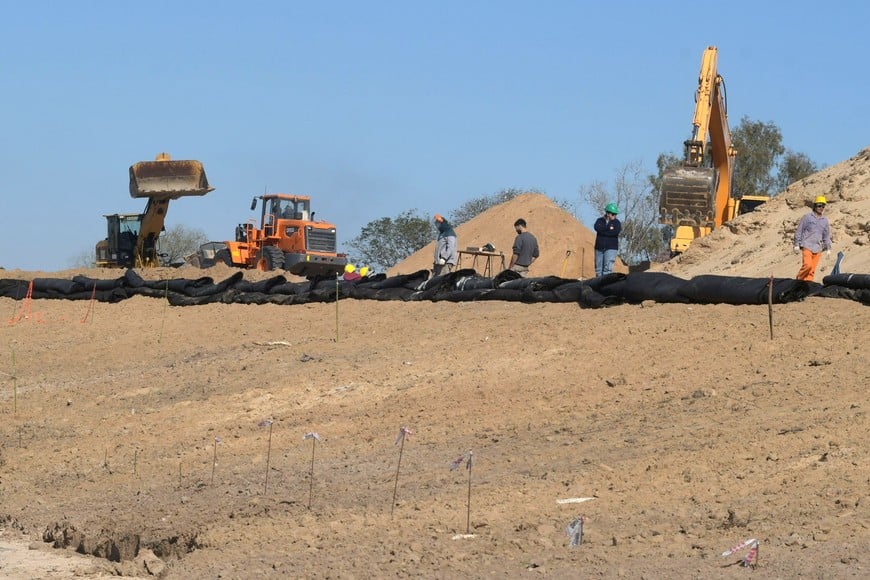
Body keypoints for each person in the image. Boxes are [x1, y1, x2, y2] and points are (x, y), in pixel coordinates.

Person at [794, 195, 833, 281]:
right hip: (807, 245)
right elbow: (799, 231)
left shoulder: (825, 220)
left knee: (811, 271)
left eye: (823, 206)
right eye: (819, 205)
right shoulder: (807, 217)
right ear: (815, 206)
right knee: (807, 265)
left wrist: (828, 248)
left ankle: (807, 287)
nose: (821, 208)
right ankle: (798, 280)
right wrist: (796, 244)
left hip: (818, 248)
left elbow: (826, 236)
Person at [594, 203, 622, 277]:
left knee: (607, 270)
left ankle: (605, 287)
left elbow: (615, 232)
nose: (614, 215)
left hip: (611, 248)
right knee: (598, 270)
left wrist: (603, 231)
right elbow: (597, 228)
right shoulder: (599, 221)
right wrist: (608, 230)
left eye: (615, 214)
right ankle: (598, 287)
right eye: (612, 214)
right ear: (607, 213)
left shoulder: (617, 223)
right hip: (599, 248)